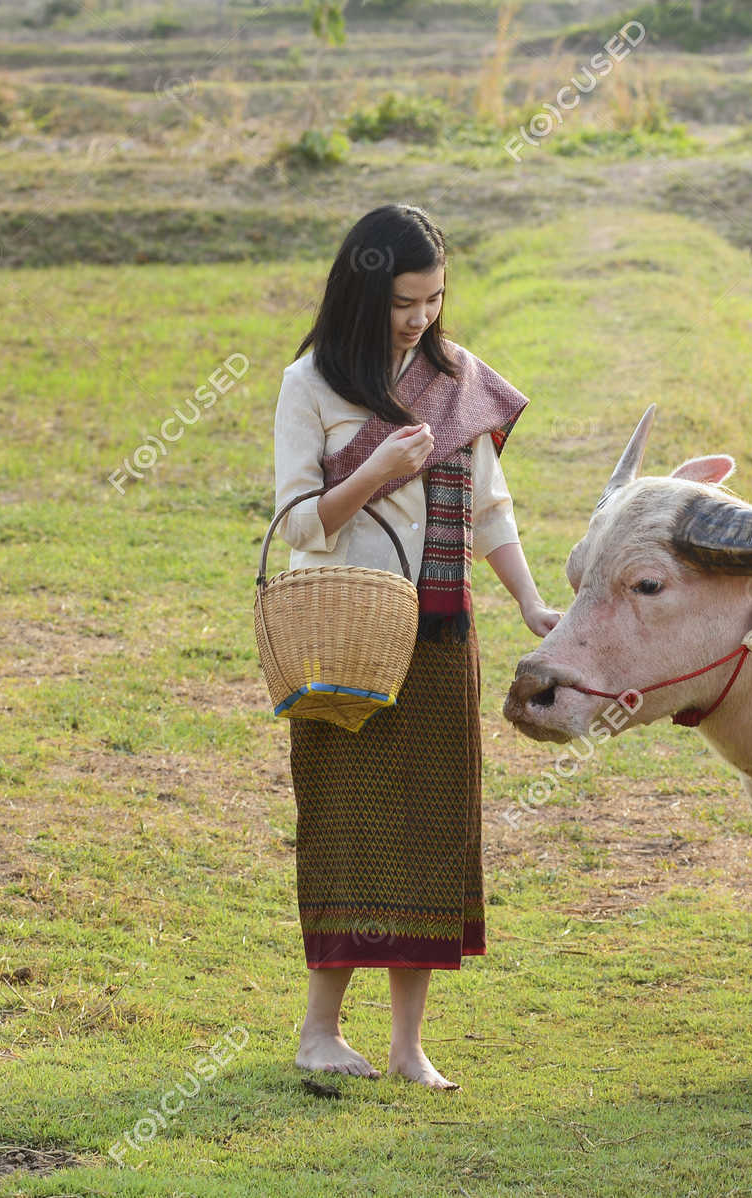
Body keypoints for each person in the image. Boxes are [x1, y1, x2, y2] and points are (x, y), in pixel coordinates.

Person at [271, 204, 560, 1089]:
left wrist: (532, 603)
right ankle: (320, 1031)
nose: (422, 317)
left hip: (442, 635)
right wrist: (374, 474)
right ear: (363, 294)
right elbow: (297, 526)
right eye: (405, 302)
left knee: (435, 829)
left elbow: (490, 508)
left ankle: (407, 1048)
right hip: (349, 637)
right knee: (348, 820)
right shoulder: (309, 385)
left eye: (434, 299)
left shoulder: (457, 377)